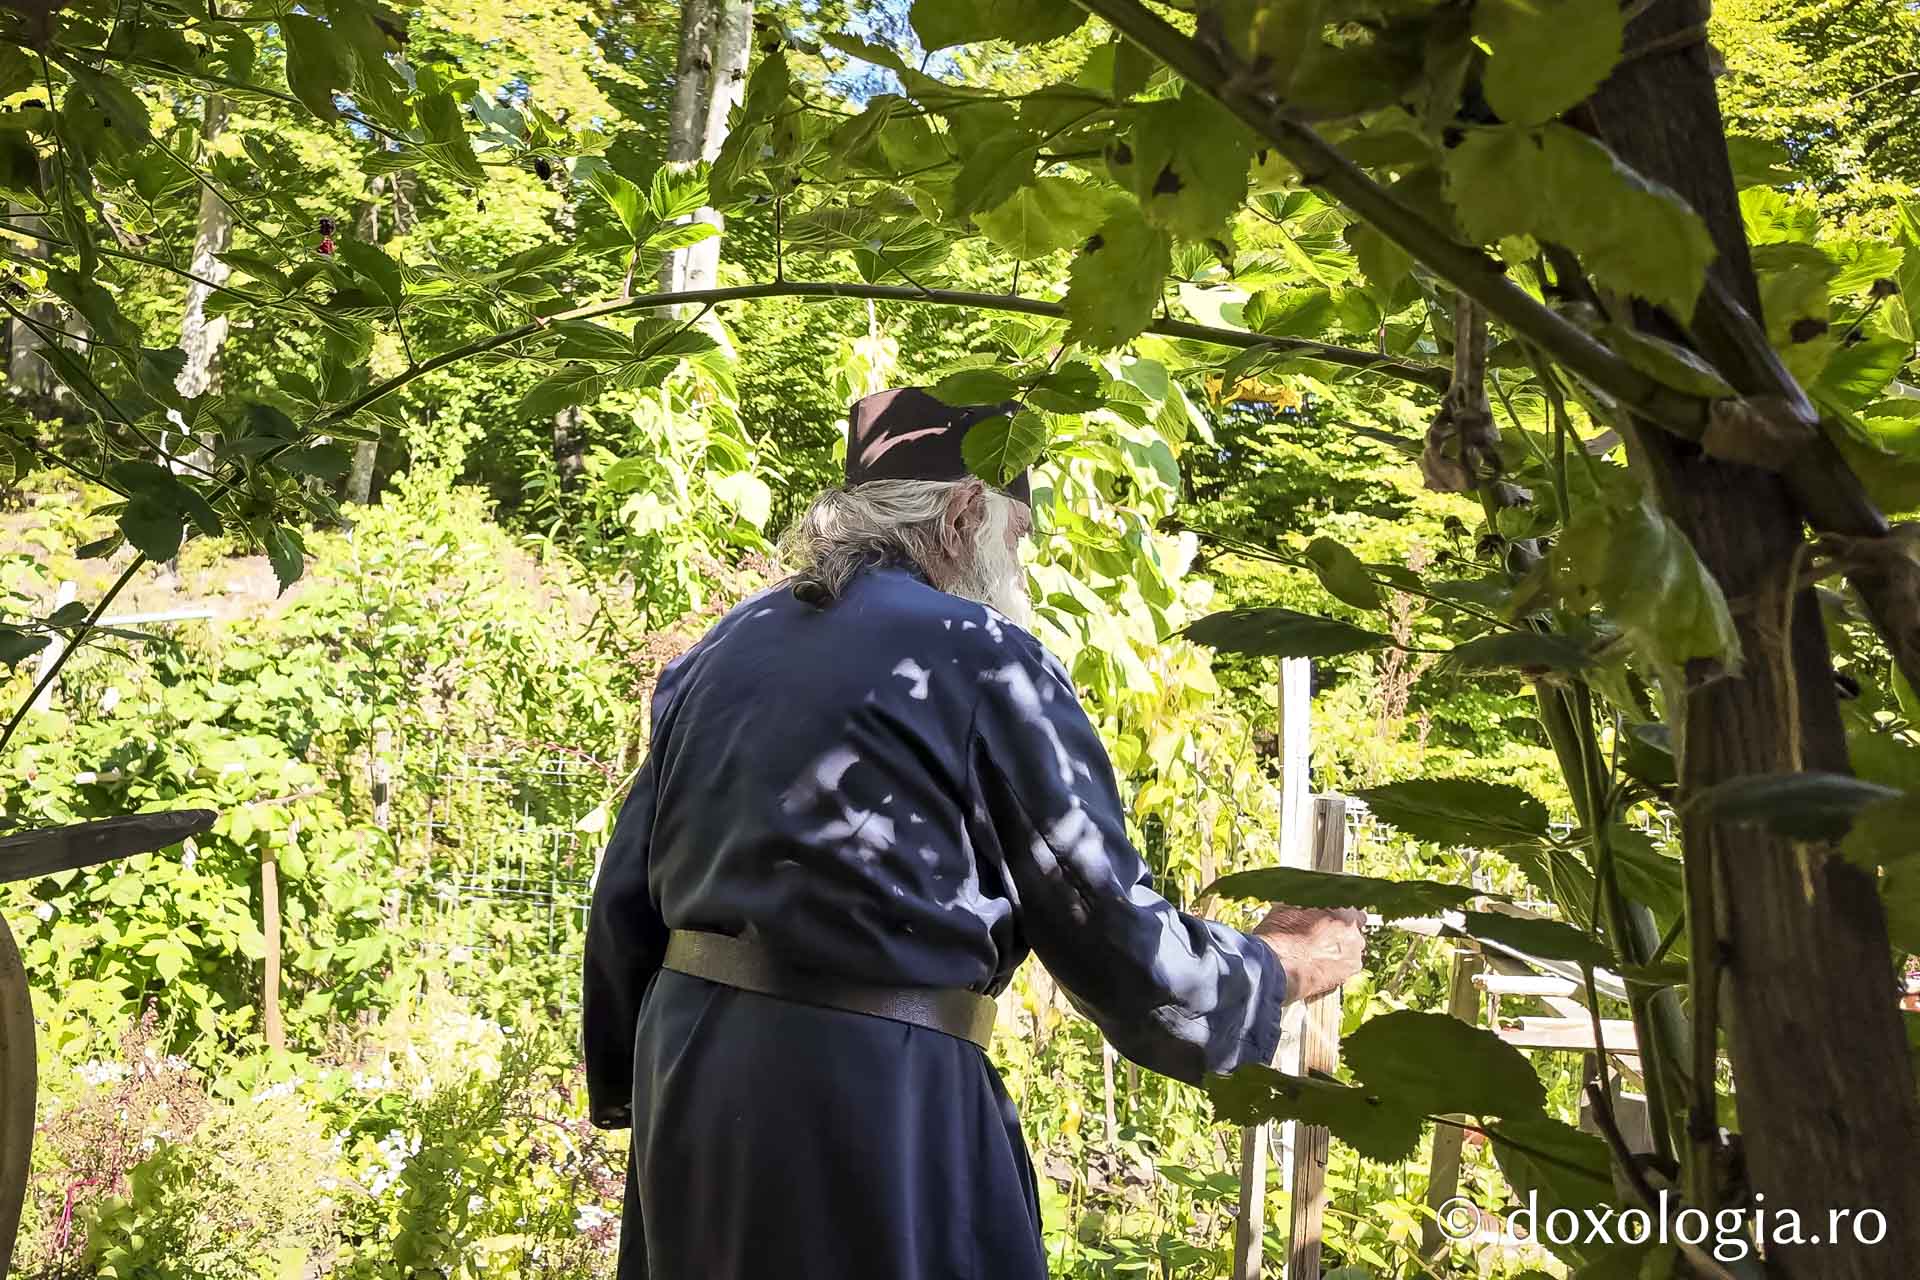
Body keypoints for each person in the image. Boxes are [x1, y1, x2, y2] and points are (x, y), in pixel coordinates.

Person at [582, 387, 1367, 1279]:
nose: (1019, 564)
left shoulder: (727, 647)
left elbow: (625, 898)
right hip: (875, 1100)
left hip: (692, 1075)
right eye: (1018, 534)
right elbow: (1099, 915)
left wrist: (634, 1082)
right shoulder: (982, 652)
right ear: (962, 513)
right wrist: (1275, 967)